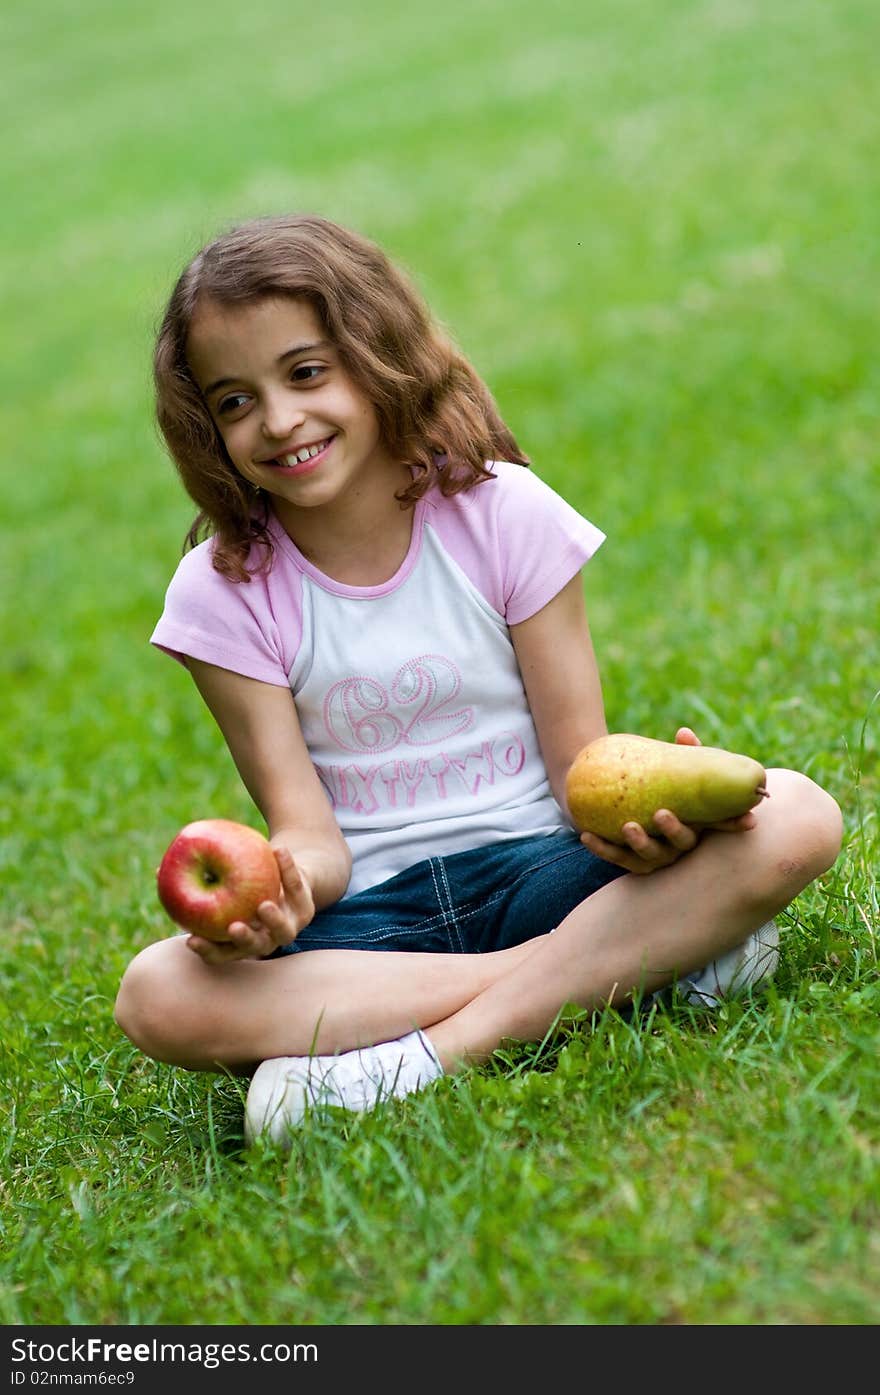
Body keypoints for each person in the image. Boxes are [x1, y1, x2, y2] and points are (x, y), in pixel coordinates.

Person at [114, 213, 843, 1148]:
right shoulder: (223, 592)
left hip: (546, 873)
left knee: (797, 816)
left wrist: (646, 819)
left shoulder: (502, 512)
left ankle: (419, 1056)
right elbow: (311, 834)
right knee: (156, 995)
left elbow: (582, 764)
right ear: (205, 425)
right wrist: (286, 890)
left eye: (305, 373)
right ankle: (624, 966)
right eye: (234, 401)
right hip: (375, 924)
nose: (280, 420)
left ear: (375, 355)